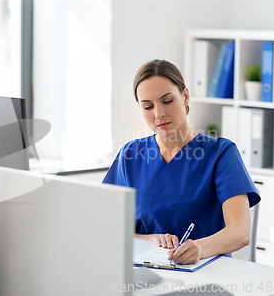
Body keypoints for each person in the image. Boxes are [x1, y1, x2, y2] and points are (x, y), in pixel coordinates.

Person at [103, 59, 260, 265]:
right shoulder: (130, 156)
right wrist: (149, 239)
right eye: (148, 106)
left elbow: (240, 231)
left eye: (167, 101)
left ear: (185, 96)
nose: (158, 113)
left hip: (207, 273)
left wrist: (200, 248)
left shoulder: (220, 154)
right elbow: (107, 227)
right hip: (145, 272)